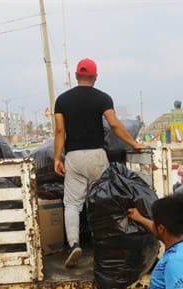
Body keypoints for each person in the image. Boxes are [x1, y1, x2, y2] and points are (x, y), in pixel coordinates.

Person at [54, 57, 146, 267]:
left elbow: (60, 131)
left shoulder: (62, 100)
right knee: (101, 200)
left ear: (76, 76)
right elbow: (113, 124)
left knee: (72, 204)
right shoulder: (103, 98)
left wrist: (57, 158)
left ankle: (74, 244)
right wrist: (133, 143)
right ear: (95, 77)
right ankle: (104, 245)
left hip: (74, 157)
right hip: (97, 155)